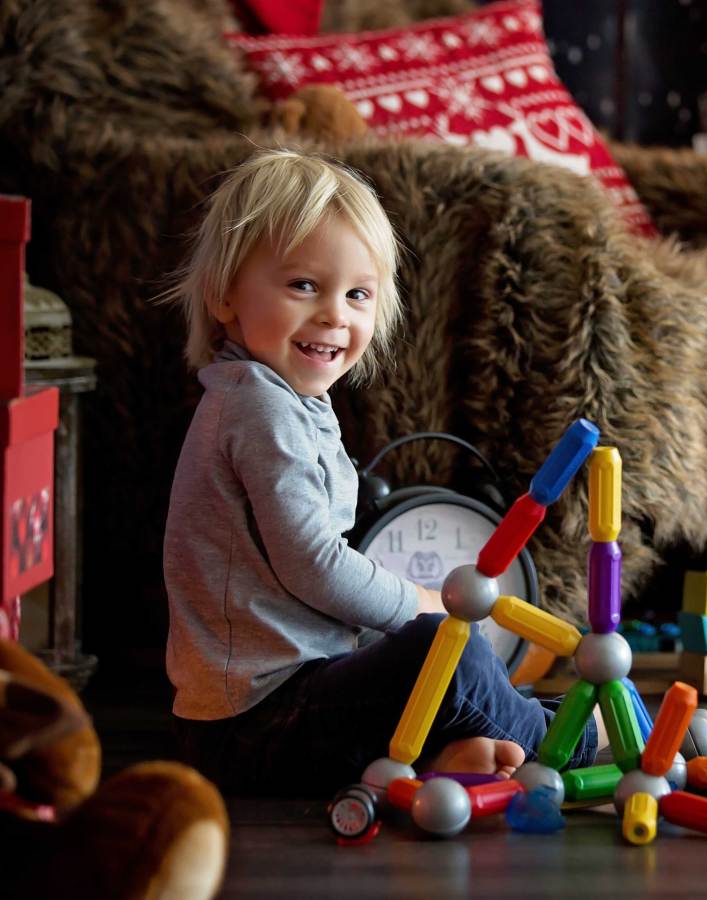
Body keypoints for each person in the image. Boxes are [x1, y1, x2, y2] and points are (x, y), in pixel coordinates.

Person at [160, 148, 597, 795]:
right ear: (225, 294)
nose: (335, 314)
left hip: (284, 703)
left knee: (435, 658)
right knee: (440, 649)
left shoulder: (288, 400)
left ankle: (457, 752)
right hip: (255, 724)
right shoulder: (258, 407)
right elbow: (313, 565)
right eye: (303, 285)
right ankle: (572, 741)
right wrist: (418, 602)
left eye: (357, 294)